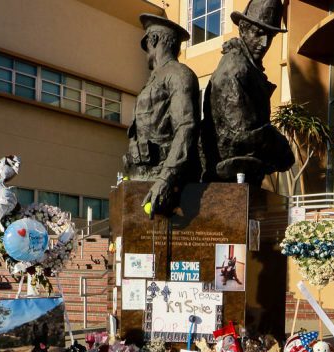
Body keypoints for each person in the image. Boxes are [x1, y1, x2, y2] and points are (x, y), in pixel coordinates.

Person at [200, 0, 294, 185]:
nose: (264, 43)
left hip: (241, 176)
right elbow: (242, 136)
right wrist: (280, 146)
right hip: (229, 178)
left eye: (270, 36)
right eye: (258, 33)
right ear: (243, 29)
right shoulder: (236, 69)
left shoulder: (250, 68)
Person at [124, 15, 200, 217]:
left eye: (146, 44)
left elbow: (186, 127)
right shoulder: (155, 78)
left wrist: (166, 178)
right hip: (142, 176)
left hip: (162, 178)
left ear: (154, 39)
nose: (145, 52)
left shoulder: (178, 74)